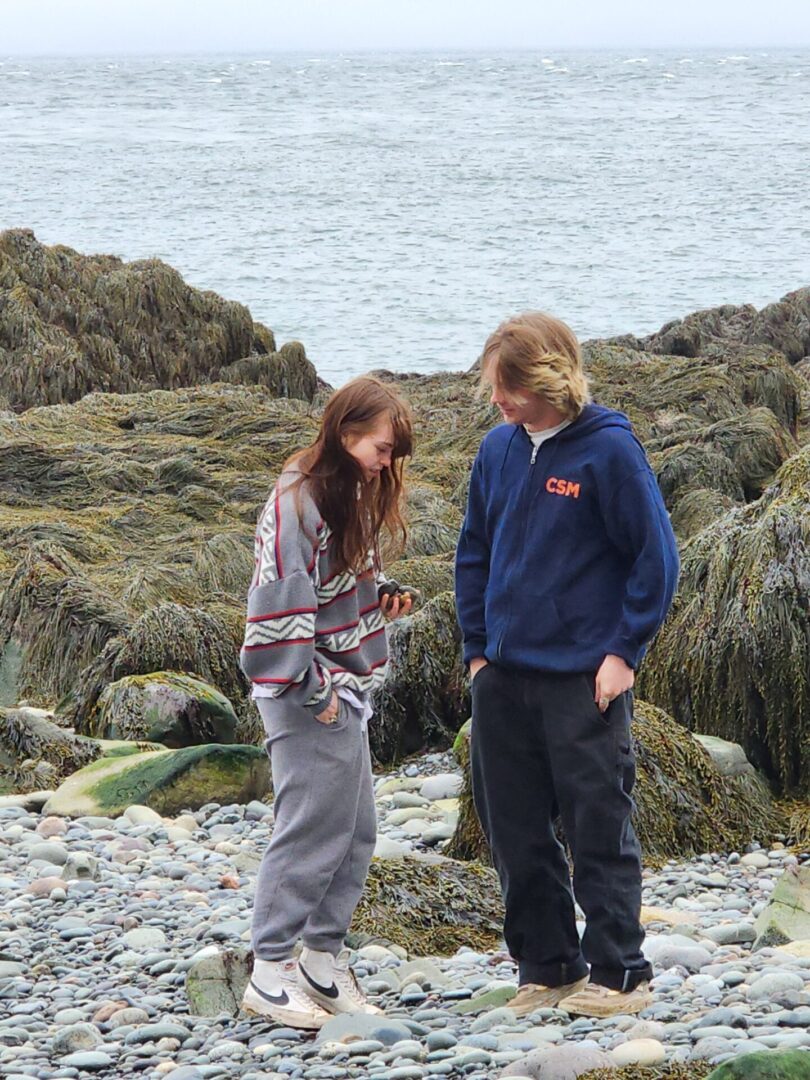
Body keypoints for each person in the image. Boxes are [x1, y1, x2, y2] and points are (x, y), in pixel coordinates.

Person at [455, 313, 679, 1019]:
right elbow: (473, 552)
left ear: (547, 379)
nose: (499, 401)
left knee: (596, 828)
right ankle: (547, 966)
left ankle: (622, 974)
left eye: (508, 388)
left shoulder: (608, 450)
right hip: (503, 679)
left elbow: (657, 560)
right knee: (515, 832)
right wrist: (478, 652)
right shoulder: (497, 450)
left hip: (584, 679)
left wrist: (623, 655)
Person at [239, 376, 414, 1030]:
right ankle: (270, 968)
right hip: (305, 691)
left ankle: (321, 958)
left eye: (394, 451)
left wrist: (381, 597)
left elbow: (334, 582)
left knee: (356, 828)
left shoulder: (346, 492)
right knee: (311, 825)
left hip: (342, 683)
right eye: (382, 446)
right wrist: (313, 690)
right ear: (346, 434)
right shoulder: (298, 500)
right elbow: (278, 603)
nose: (388, 460)